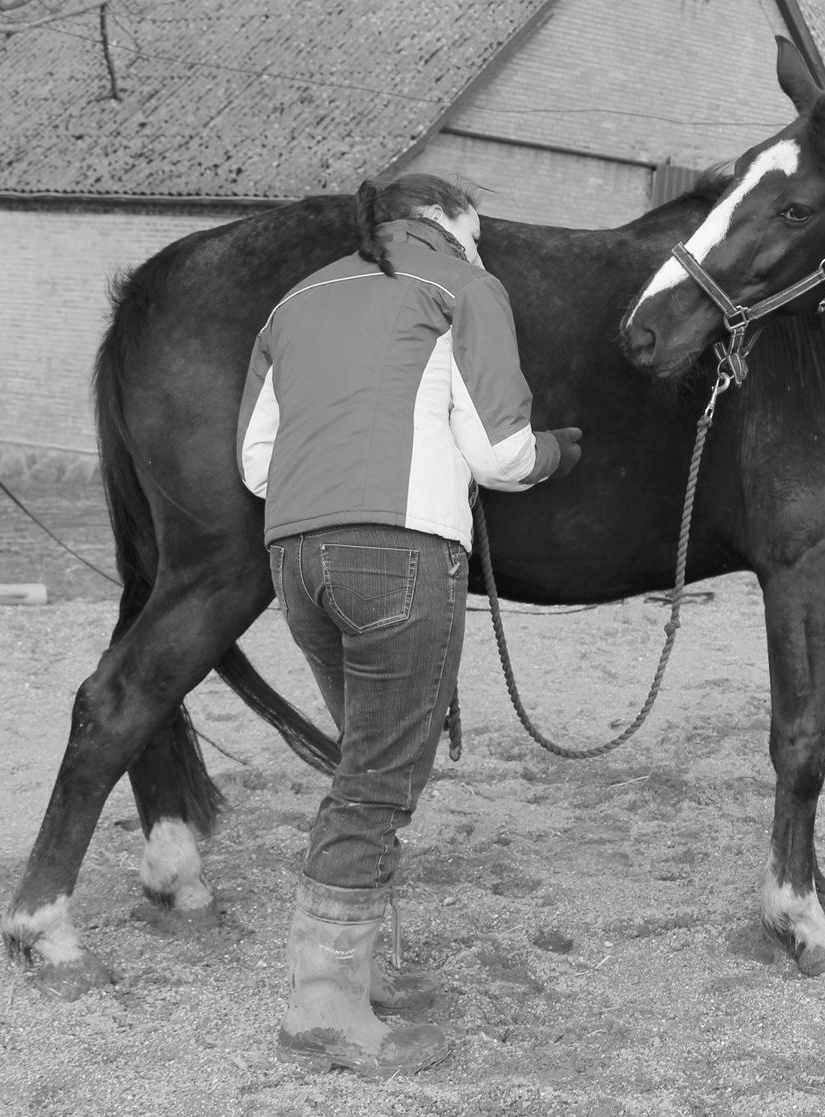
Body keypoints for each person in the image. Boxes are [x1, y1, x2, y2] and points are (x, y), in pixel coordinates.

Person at [236, 173, 582, 1076]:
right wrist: (557, 454)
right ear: (449, 227)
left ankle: (350, 972)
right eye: (476, 236)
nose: (480, 251)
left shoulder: (294, 299)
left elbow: (253, 463)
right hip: (401, 556)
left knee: (364, 759)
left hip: (295, 558)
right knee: (380, 782)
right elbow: (501, 454)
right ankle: (320, 1008)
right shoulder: (464, 286)